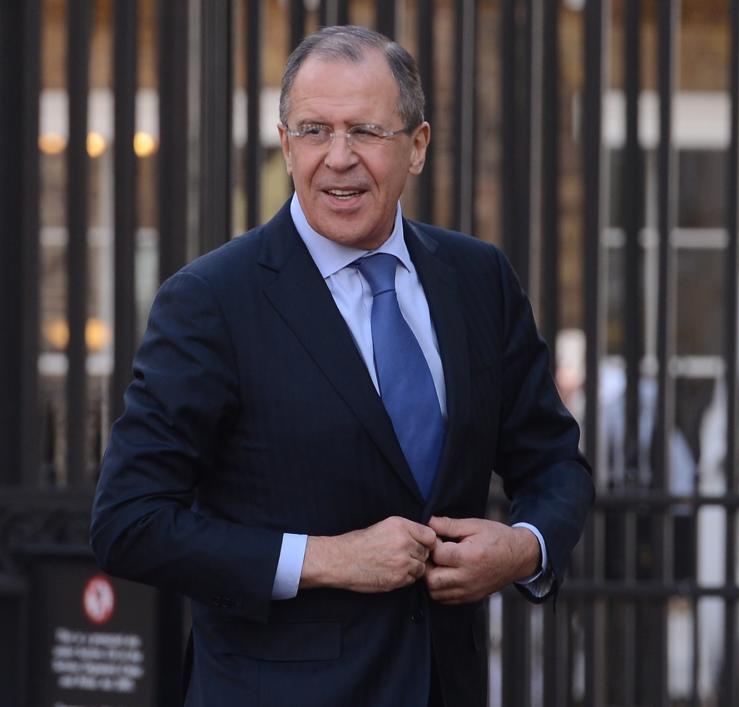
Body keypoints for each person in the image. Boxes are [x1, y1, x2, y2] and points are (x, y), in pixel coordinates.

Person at [90, 25, 593, 707]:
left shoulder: (478, 279)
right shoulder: (213, 301)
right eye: (314, 130)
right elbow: (129, 521)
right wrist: (326, 558)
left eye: (365, 131)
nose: (338, 158)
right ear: (285, 141)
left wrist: (525, 547)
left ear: (416, 146)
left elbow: (553, 459)